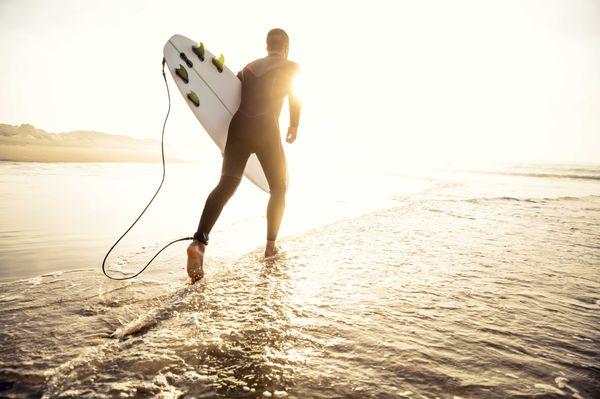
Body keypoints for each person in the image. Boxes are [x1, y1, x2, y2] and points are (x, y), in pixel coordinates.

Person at [186, 28, 302, 283]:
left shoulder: (248, 68)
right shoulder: (291, 66)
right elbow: (295, 95)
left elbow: (226, 96)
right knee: (278, 189)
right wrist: (294, 124)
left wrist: (222, 140)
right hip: (266, 130)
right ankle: (271, 247)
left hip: (237, 129)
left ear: (267, 45)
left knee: (227, 184)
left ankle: (199, 242)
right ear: (286, 47)